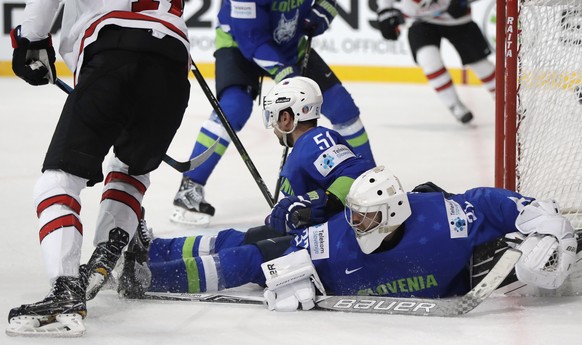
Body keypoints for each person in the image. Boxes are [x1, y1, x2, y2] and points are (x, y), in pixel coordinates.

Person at [117, 166, 579, 312]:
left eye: (363, 217)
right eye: (354, 215)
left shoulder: (447, 219)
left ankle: (148, 258)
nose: (355, 223)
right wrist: (283, 277)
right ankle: (149, 261)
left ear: (391, 213)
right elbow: (257, 265)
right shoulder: (336, 244)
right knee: (253, 251)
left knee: (255, 247)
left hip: (469, 271)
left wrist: (548, 227)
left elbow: (499, 203)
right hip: (318, 256)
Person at [6, 0, 191, 336]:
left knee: (57, 180)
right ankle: (109, 251)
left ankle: (65, 291)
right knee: (131, 168)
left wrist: (29, 39)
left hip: (111, 46)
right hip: (175, 58)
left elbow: (41, 14)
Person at [171, 0, 377, 226]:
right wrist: (284, 72)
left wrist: (327, 6)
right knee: (234, 108)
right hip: (240, 43)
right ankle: (190, 186)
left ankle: (370, 181)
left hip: (290, 45)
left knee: (342, 107)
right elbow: (252, 40)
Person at [375, 0, 496, 124]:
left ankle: (505, 99)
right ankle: (454, 105)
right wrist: (385, 11)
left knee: (481, 65)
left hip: (456, 18)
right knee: (427, 59)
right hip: (419, 20)